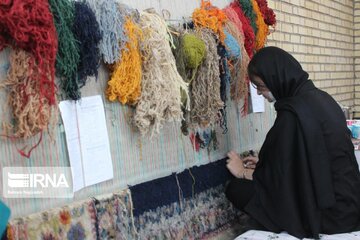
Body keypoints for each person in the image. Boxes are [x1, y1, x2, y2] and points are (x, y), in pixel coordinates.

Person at [225, 46, 360, 239]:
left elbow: (281, 181)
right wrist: (266, 166)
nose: (261, 93)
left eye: (260, 86)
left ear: (276, 78)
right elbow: (306, 160)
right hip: (350, 206)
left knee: (236, 189)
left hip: (326, 215)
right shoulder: (323, 99)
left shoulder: (293, 114)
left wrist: (243, 172)